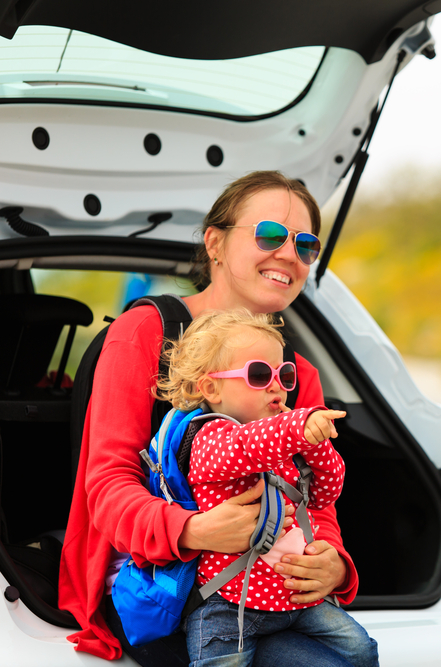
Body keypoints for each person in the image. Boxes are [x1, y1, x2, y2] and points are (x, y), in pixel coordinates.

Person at [59, 171, 361, 665]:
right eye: (269, 235)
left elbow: (312, 498)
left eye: (305, 244)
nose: (289, 253)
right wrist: (193, 530)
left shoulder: (298, 373)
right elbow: (108, 487)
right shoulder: (146, 333)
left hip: (266, 590)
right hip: (158, 588)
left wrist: (333, 562)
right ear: (215, 243)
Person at [155, 309, 377, 666]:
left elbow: (326, 492)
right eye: (259, 374)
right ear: (211, 387)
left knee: (362, 650)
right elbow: (246, 447)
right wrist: (297, 425)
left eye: (283, 374)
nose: (276, 385)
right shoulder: (209, 438)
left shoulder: (279, 440)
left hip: (294, 598)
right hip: (227, 607)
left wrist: (314, 443)